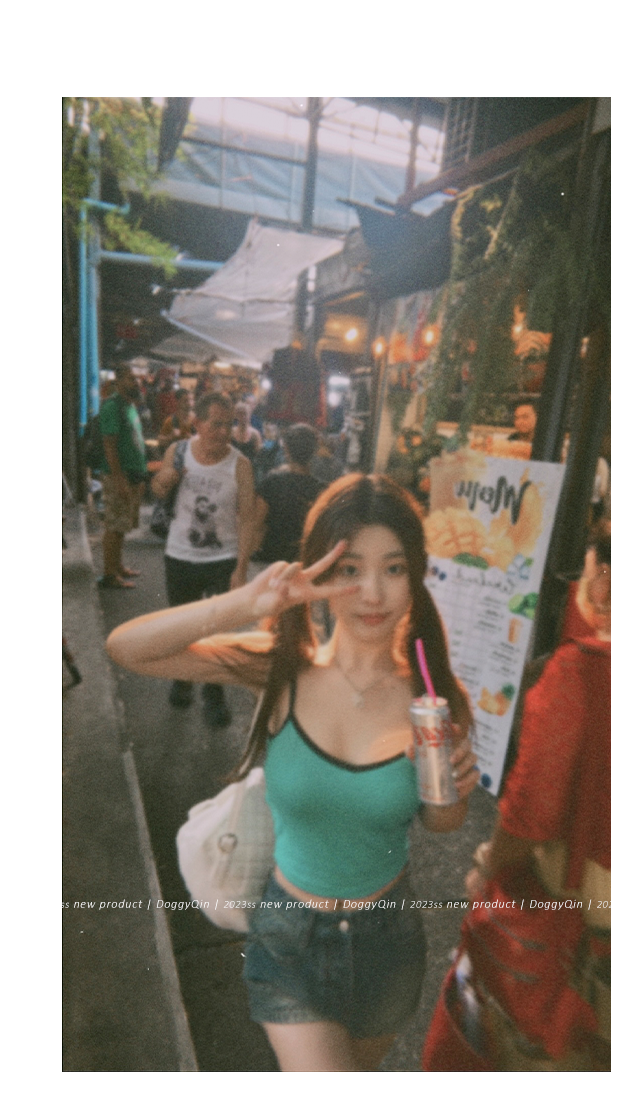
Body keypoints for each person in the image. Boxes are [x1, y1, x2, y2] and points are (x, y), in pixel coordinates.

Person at [106, 473, 480, 1071]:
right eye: (350, 569)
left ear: (416, 574)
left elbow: (443, 824)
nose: (373, 593)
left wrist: (453, 788)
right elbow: (127, 648)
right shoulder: (281, 668)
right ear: (320, 573)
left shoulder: (434, 696)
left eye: (393, 568)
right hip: (289, 939)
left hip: (388, 941)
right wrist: (247, 603)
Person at [463, 520, 611, 1070]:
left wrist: (488, 866)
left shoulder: (580, 672)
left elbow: (530, 814)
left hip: (590, 929)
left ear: (604, 581)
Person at [151, 392, 256, 728]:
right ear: (197, 423)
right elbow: (158, 489)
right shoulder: (178, 451)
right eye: (216, 424)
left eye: (229, 424)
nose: (224, 432)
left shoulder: (240, 465)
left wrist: (241, 569)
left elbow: (248, 518)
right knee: (182, 627)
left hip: (222, 559)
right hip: (180, 555)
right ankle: (182, 679)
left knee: (215, 630)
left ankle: (214, 693)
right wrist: (165, 480)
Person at [97, 364, 148, 590]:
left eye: (136, 378)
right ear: (118, 381)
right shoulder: (112, 406)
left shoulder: (129, 405)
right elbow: (109, 445)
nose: (135, 382)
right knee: (115, 525)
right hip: (119, 476)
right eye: (130, 378)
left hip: (132, 475)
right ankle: (109, 574)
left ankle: (118, 566)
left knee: (122, 524)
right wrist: (119, 480)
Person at [254, 423, 325, 564]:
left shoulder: (272, 482)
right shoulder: (322, 490)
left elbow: (257, 524)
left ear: (286, 449)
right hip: (304, 562)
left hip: (270, 560)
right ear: (314, 451)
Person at [157, 388, 196, 454]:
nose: (189, 403)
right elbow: (160, 441)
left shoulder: (199, 420)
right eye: (185, 401)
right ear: (178, 402)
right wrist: (171, 437)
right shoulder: (171, 421)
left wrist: (194, 439)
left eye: (191, 400)